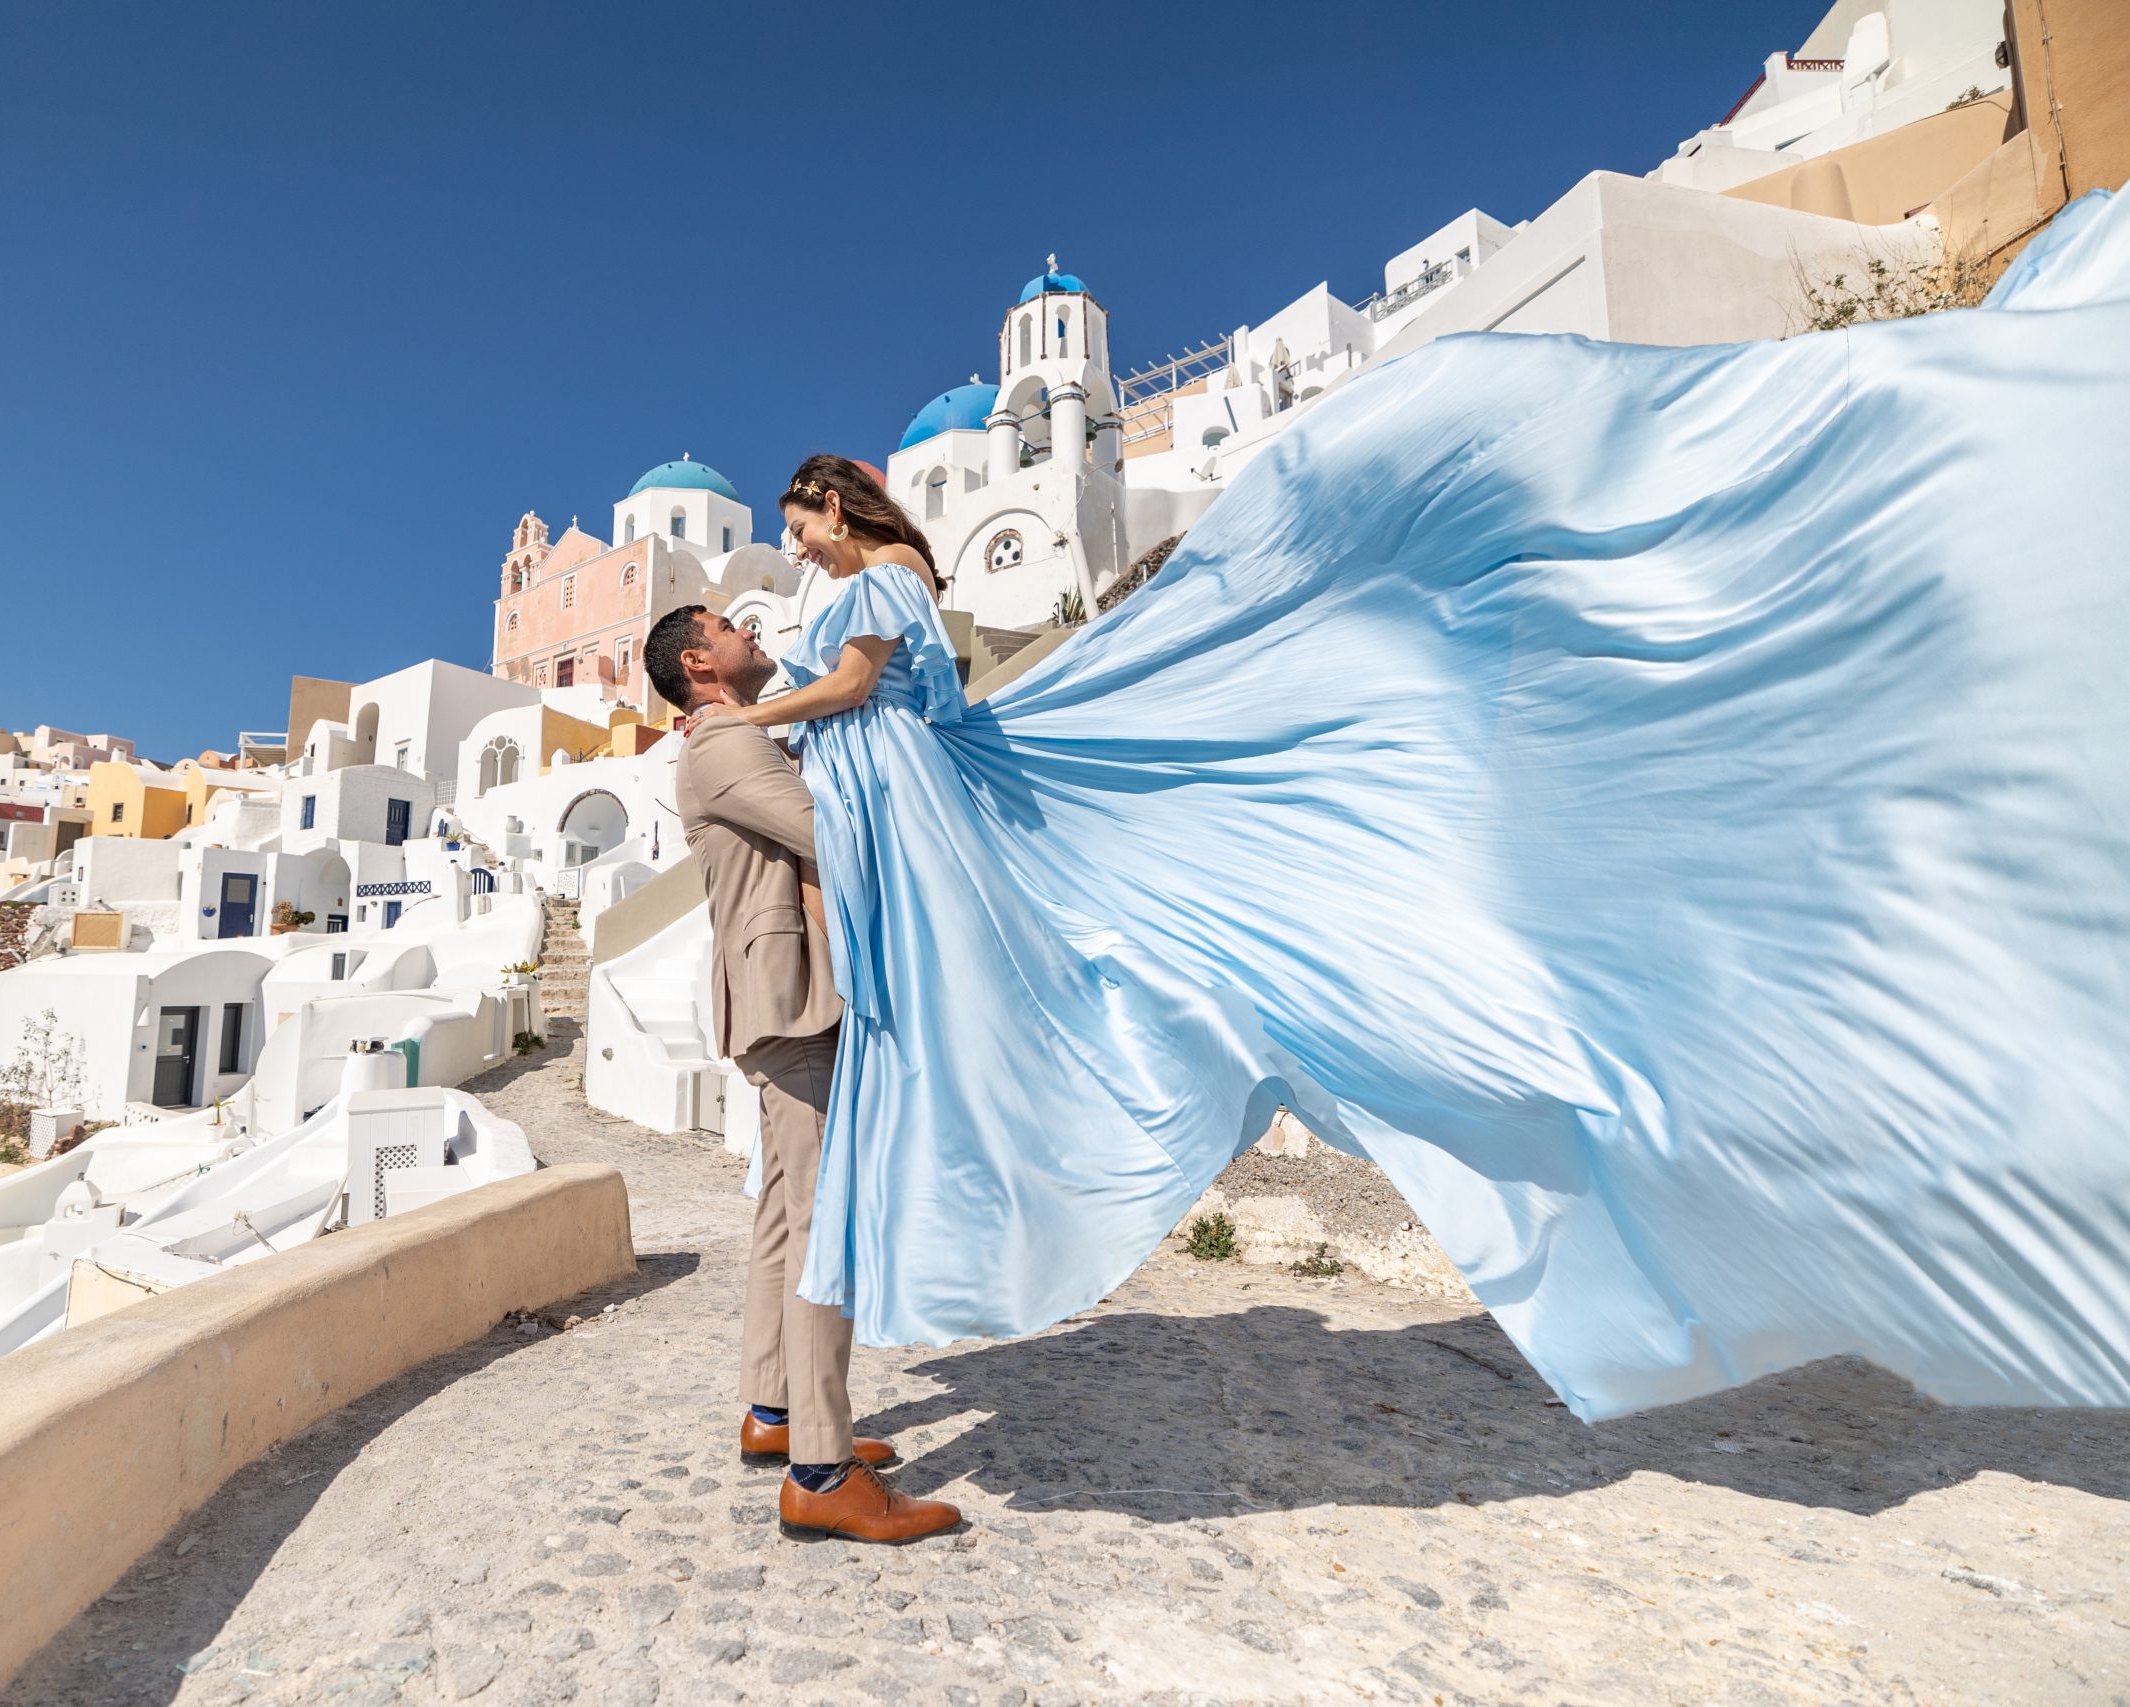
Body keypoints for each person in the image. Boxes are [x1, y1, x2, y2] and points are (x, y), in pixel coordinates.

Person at [682, 185, 2130, 1429]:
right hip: (932, 801)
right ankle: (802, 1406)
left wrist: (765, 708)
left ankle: (809, 1418)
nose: (791, 545)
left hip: (924, 811)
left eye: (802, 519)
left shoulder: (863, 596)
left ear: (840, 509)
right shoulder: (880, 592)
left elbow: (864, 685)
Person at [644, 601, 961, 1544]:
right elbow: (836, 834)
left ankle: (774, 1413)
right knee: (824, 1219)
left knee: (787, 1212)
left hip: (782, 997)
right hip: (792, 999)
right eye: (728, 625)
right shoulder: (722, 745)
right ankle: (821, 1470)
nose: (749, 626)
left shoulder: (731, 736)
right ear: (699, 662)